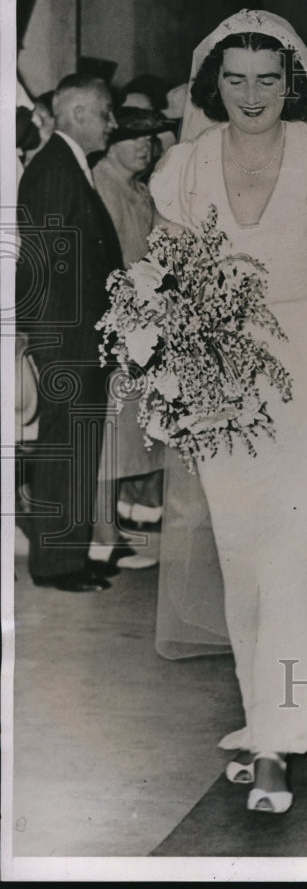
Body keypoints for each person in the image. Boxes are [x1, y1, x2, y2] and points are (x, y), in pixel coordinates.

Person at [148, 11, 307, 815]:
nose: (252, 95)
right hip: (220, 374)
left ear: (293, 84)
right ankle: (266, 716)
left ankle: (278, 743)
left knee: (299, 548)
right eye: (236, 79)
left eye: (269, 79)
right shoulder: (181, 168)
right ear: (214, 84)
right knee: (249, 560)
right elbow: (164, 275)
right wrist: (162, 362)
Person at [16, 74, 122, 591]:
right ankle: (56, 565)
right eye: (106, 112)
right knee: (67, 448)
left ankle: (69, 557)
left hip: (76, 338)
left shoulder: (65, 166)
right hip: (68, 338)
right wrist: (56, 344)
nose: (113, 122)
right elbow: (50, 270)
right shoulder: (57, 170)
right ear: (79, 113)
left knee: (77, 448)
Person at [89, 107, 172, 572]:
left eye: (151, 138)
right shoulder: (102, 185)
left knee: (129, 432)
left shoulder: (137, 188)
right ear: (112, 139)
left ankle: (119, 526)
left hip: (140, 326)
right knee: (107, 435)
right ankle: (102, 536)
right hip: (114, 327)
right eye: (134, 137)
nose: (146, 145)